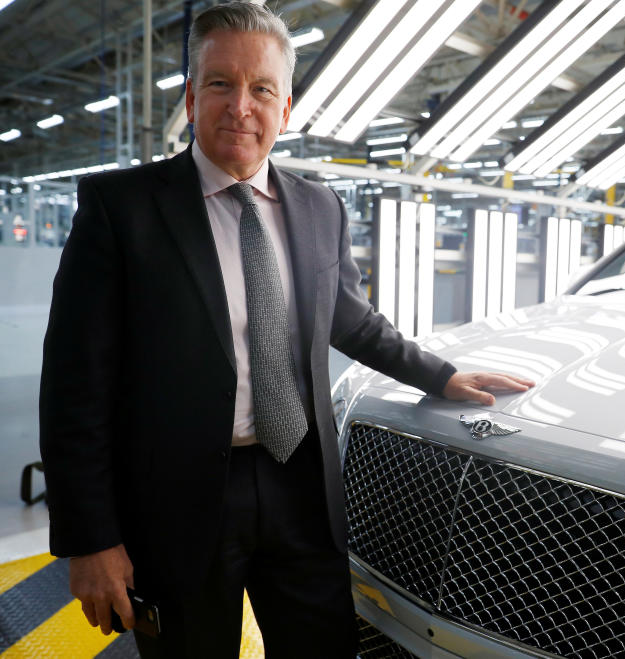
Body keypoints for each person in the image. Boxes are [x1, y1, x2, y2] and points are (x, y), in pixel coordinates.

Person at [38, 3, 533, 657]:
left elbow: (349, 317)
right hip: (177, 503)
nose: (240, 106)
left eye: (261, 88)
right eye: (220, 83)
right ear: (190, 96)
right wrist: (90, 539)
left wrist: (440, 373)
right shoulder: (121, 209)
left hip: (298, 487)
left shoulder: (317, 205)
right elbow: (75, 386)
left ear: (286, 107)